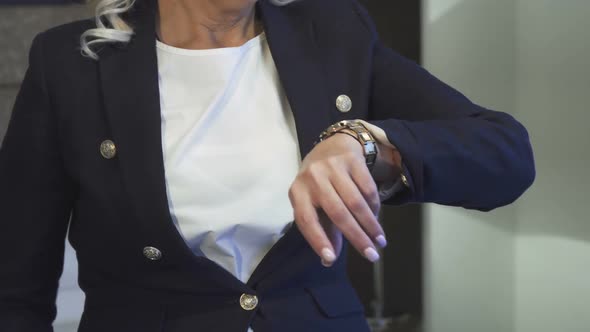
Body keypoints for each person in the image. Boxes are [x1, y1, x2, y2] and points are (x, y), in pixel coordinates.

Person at [0, 0, 535, 331]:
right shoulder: (68, 64)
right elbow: (15, 289)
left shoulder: (331, 32)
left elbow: (505, 154)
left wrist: (365, 142)